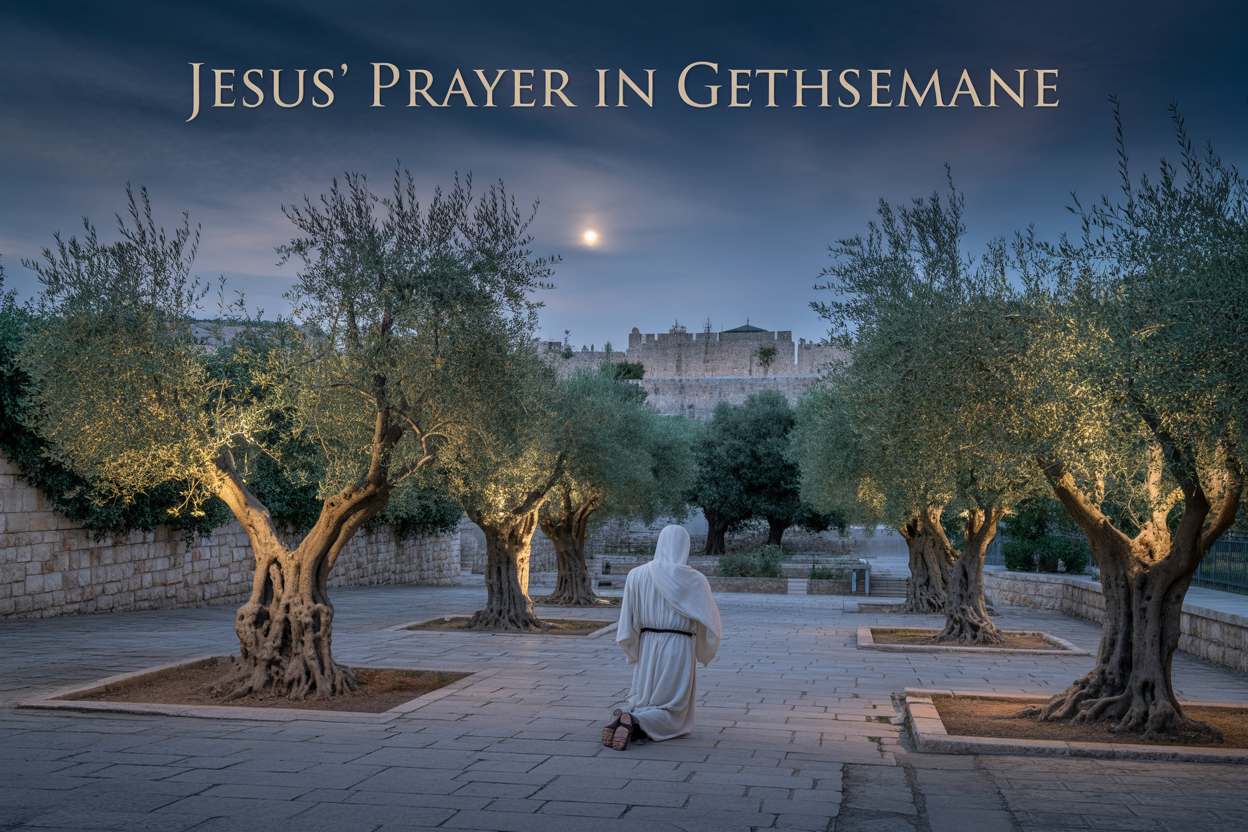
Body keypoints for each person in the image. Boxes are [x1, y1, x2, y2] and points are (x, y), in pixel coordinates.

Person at [604, 525, 722, 750]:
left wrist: (634, 648)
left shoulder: (636, 574)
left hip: (649, 645)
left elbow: (628, 618)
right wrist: (705, 650)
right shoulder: (694, 579)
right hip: (678, 647)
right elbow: (710, 620)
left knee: (647, 699)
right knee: (673, 709)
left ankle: (627, 716)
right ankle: (637, 720)